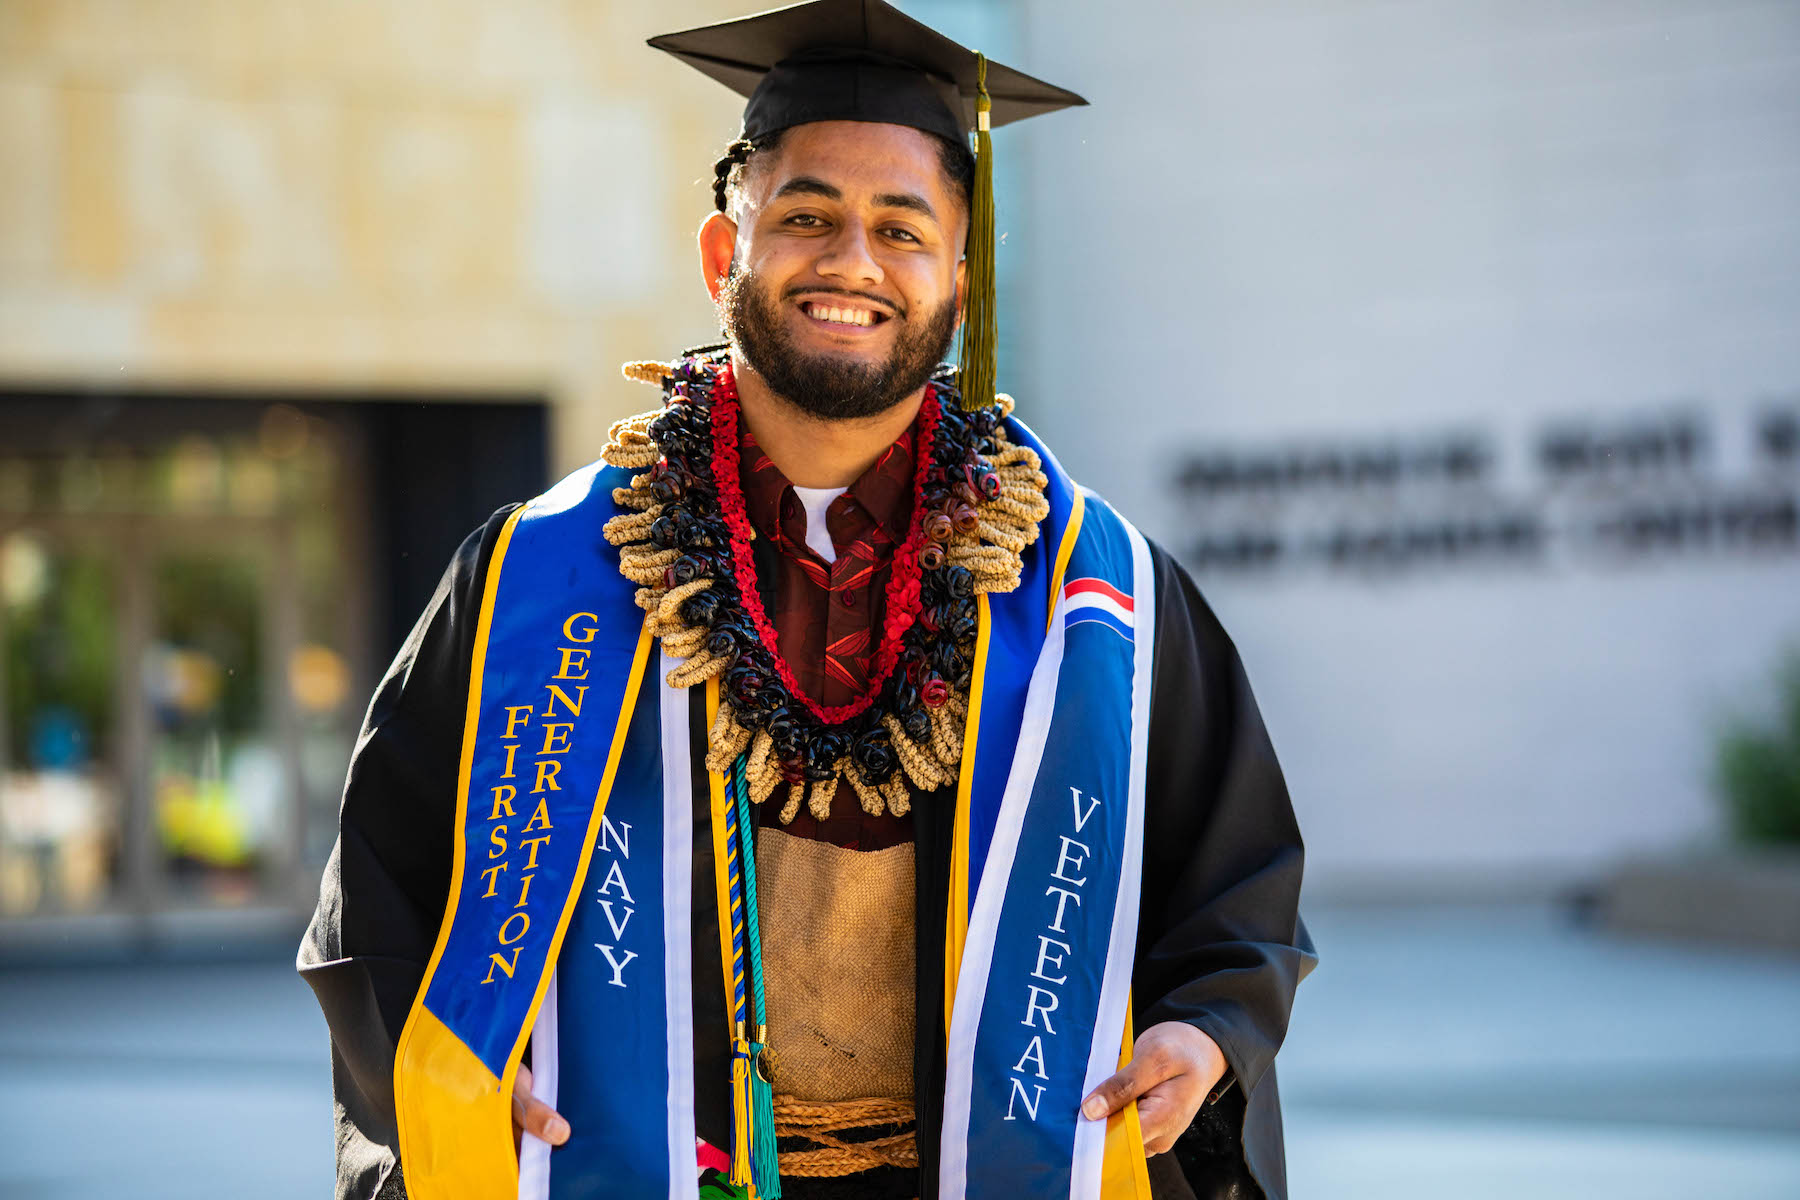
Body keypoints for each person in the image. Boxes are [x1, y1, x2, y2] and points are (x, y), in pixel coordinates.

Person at [298, 2, 1314, 1198]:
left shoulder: (1098, 594)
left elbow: (1236, 886)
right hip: (635, 1166)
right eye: (807, 218)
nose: (854, 263)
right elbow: (383, 888)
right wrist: (460, 1064)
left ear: (959, 279)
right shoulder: (544, 572)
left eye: (904, 228)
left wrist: (1205, 1033)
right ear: (726, 257)